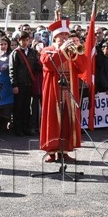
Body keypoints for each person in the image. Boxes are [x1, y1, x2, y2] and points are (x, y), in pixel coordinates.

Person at [39, 18, 91, 163]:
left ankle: (65, 150)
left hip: (69, 90)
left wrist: (77, 54)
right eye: (62, 35)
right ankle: (52, 151)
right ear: (55, 37)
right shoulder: (47, 50)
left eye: (66, 35)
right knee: (54, 120)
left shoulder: (71, 50)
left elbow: (82, 68)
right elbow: (48, 64)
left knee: (68, 120)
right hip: (54, 91)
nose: (65, 38)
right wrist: (62, 51)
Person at [10, 30, 42, 137]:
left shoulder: (33, 52)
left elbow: (37, 66)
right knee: (18, 107)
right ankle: (18, 128)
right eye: (22, 40)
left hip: (29, 83)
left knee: (27, 107)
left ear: (29, 40)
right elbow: (12, 70)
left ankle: (26, 127)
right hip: (20, 84)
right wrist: (14, 85)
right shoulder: (16, 53)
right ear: (19, 41)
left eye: (27, 40)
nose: (24, 42)